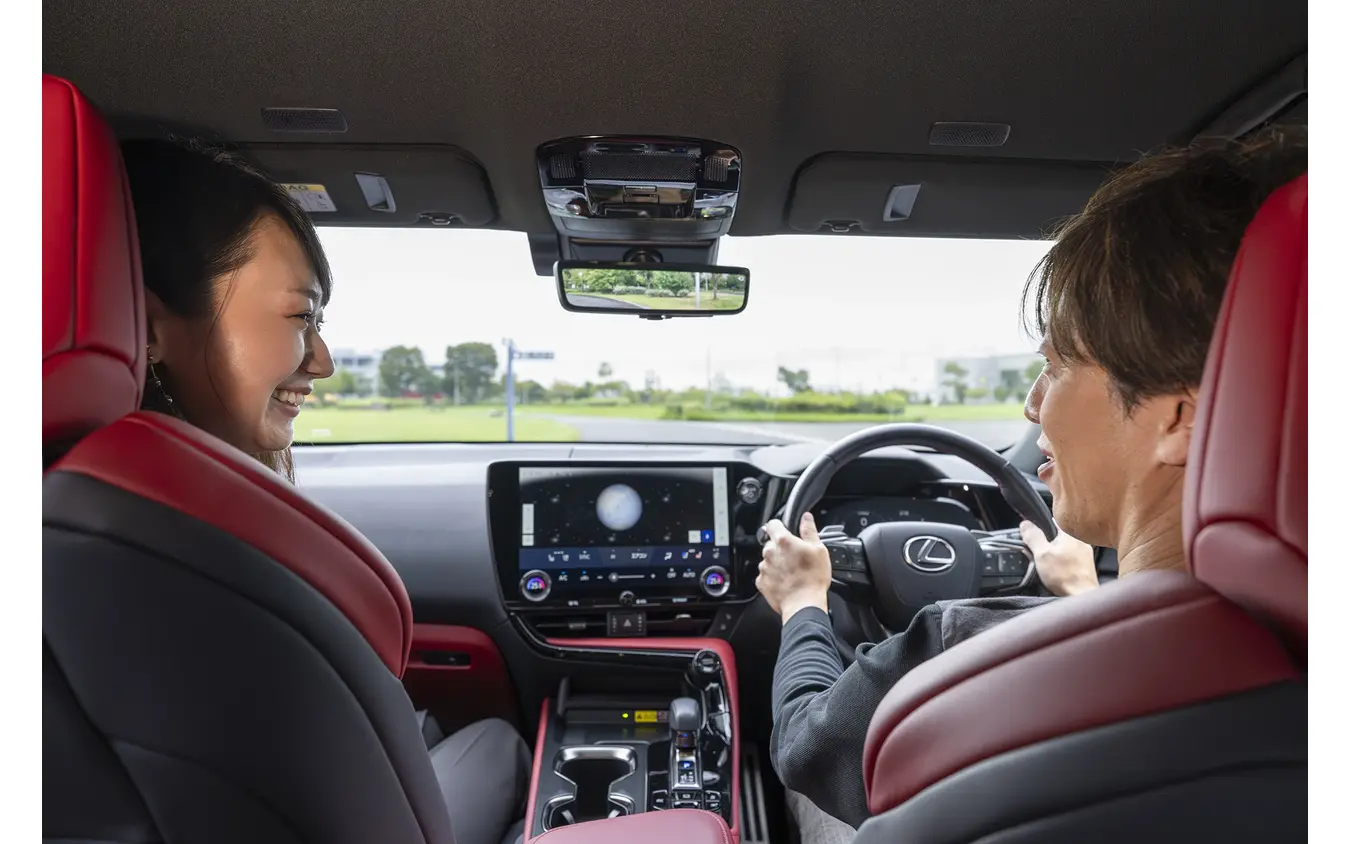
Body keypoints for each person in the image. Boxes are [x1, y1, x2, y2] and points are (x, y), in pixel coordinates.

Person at [756, 124, 1308, 836]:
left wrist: (803, 601)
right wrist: (1090, 594)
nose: (1032, 404)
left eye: (1056, 366)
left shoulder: (958, 650)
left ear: (1179, 417)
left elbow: (806, 746)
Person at [120, 139, 532, 844]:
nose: (324, 361)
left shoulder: (102, 508)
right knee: (497, 741)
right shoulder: (193, 539)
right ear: (154, 326)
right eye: (299, 317)